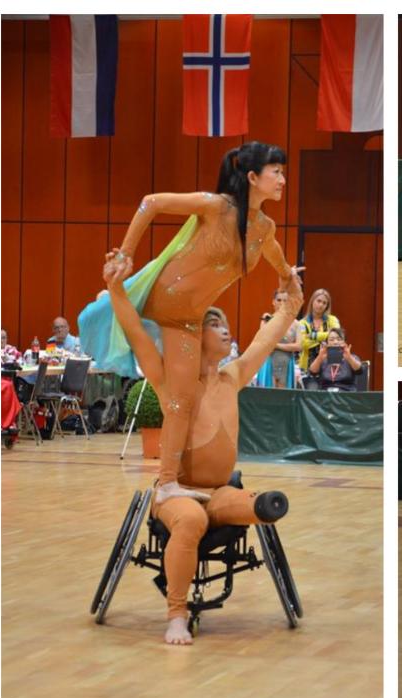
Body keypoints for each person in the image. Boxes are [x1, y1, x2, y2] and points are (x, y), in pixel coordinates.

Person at [101, 249, 302, 645]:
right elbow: (137, 335)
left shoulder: (233, 376)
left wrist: (292, 299)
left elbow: (268, 336)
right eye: (214, 323)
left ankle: (255, 507)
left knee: (263, 506)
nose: (225, 329)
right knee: (192, 520)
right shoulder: (170, 379)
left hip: (220, 492)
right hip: (175, 495)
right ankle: (176, 615)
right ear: (194, 334)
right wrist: (116, 288)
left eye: (225, 323)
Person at [78, 142, 294, 504]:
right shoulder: (215, 206)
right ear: (253, 177)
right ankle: (165, 484)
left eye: (283, 172)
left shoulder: (264, 228)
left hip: (188, 320)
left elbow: (273, 253)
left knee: (180, 399)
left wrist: (287, 276)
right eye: (276, 172)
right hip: (162, 304)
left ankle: (178, 477)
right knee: (178, 399)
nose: (283, 180)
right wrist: (126, 253)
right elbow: (151, 202)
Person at [254, 289, 299, 389]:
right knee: (267, 395)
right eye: (279, 300)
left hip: (286, 361)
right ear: (273, 302)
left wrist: (276, 345)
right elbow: (262, 341)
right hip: (268, 360)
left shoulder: (296, 323)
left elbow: (299, 346)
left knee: (283, 396)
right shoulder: (266, 319)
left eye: (285, 301)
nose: (282, 303)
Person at [296, 288, 340, 376]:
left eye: (324, 303)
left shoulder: (332, 320)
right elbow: (303, 344)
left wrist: (313, 336)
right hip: (306, 367)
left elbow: (337, 336)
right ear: (312, 301)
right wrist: (326, 337)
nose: (320, 305)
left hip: (328, 364)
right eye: (318, 301)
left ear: (327, 306)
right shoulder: (302, 323)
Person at [306, 327, 362, 391]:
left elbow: (359, 371)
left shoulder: (352, 357)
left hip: (346, 395)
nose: (335, 342)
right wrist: (320, 357)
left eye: (339, 339)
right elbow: (312, 372)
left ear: (344, 342)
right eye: (331, 340)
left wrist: (349, 357)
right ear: (327, 343)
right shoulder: (322, 357)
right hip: (326, 395)